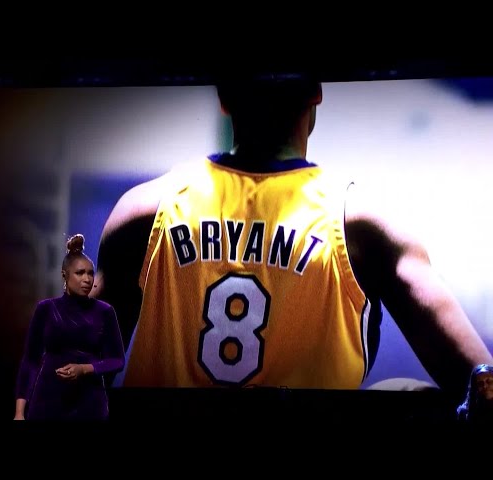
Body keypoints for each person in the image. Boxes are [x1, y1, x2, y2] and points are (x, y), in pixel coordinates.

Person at [91, 75, 493, 398]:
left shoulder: (145, 211)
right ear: (317, 92)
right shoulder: (361, 226)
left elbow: (73, 381)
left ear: (223, 98)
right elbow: (482, 381)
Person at [14, 233, 125, 420]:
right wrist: (19, 412)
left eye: (90, 273)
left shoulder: (105, 311)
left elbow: (117, 360)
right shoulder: (46, 309)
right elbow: (30, 361)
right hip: (48, 400)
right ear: (64, 275)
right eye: (80, 273)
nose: (87, 279)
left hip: (89, 403)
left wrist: (84, 369)